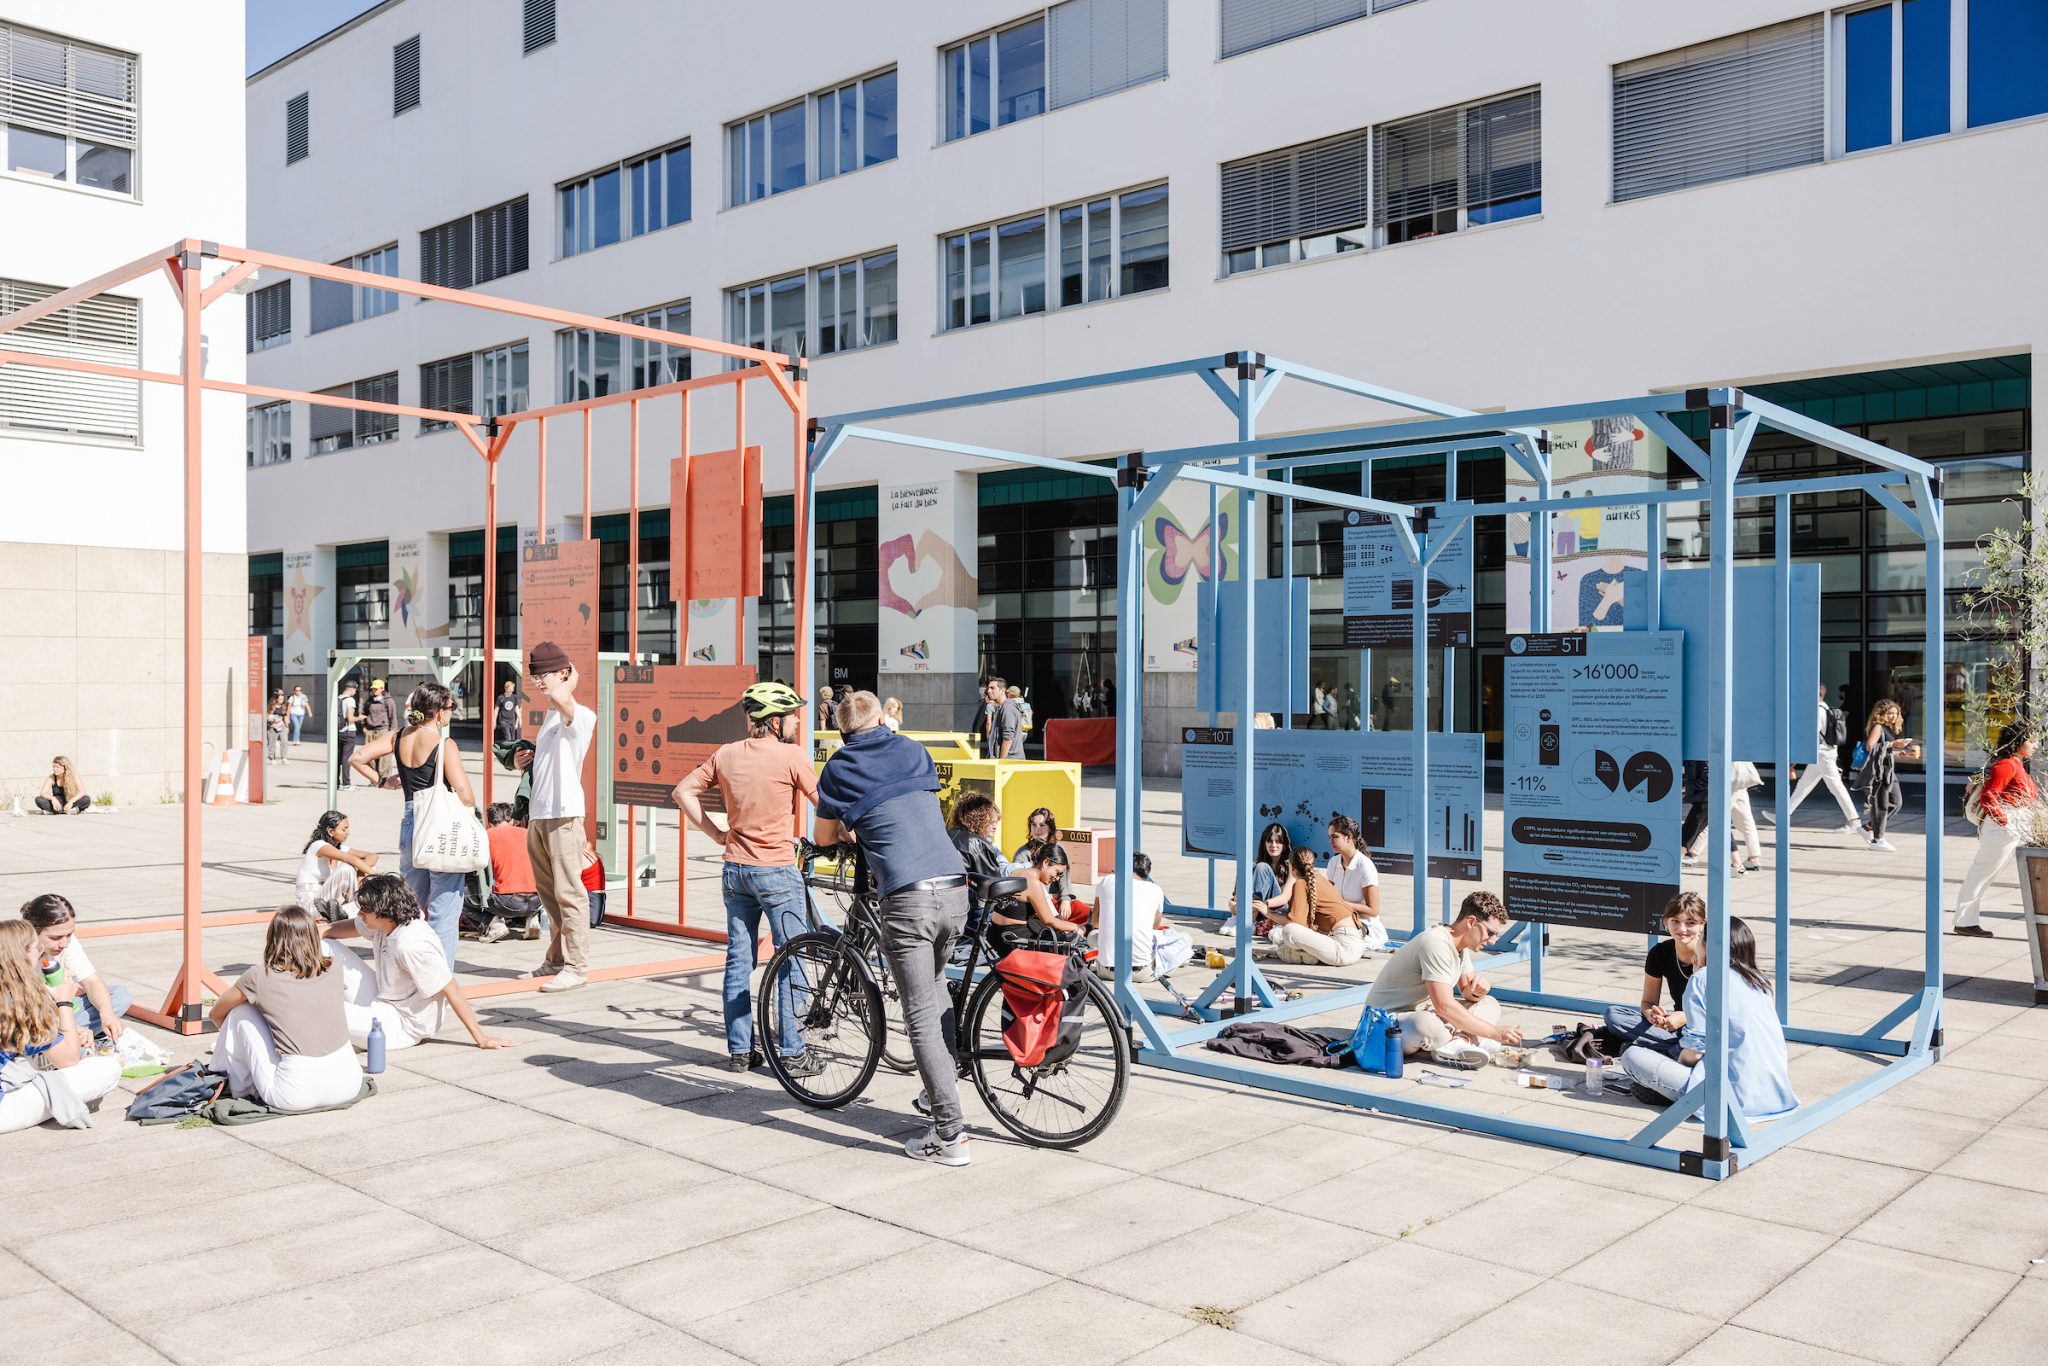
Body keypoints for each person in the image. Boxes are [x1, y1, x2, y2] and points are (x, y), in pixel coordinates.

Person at [815, 690, 976, 1166]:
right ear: (883, 720)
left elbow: (823, 836)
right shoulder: (912, 749)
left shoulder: (840, 766)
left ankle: (949, 1135)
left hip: (908, 897)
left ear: (842, 731)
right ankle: (938, 1088)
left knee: (919, 1016)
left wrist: (847, 830)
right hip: (955, 886)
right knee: (937, 990)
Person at [675, 680, 820, 1073]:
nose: (796, 722)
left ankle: (741, 1051)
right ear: (774, 721)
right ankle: (792, 1053)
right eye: (792, 715)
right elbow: (825, 805)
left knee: (739, 960)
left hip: (735, 870)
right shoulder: (791, 756)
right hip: (776, 870)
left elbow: (682, 792)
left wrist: (717, 834)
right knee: (792, 957)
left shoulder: (726, 754)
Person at [350, 681, 477, 968]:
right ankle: (438, 973)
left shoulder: (398, 737)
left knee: (409, 904)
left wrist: (382, 781)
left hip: (410, 822)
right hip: (440, 827)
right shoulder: (444, 744)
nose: (452, 712)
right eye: (451, 707)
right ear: (439, 712)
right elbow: (465, 793)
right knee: (444, 907)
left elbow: (357, 757)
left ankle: (402, 965)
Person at [1621, 914, 1798, 1119]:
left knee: (1632, 1056)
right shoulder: (1758, 979)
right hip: (1775, 1094)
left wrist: (1674, 1067)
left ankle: (1668, 1092)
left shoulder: (1703, 978)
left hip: (1730, 1097)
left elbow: (1694, 1052)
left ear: (1708, 944)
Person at [320, 876, 511, 1051]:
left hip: (403, 1026)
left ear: (384, 912)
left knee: (318, 1007)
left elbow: (452, 988)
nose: (359, 914)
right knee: (322, 944)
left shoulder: (413, 945)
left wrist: (481, 1038)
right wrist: (313, 931)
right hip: (383, 1000)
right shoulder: (388, 921)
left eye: (365, 910)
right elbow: (345, 927)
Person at [207, 907, 363, 1111]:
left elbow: (216, 1013)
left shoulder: (260, 975)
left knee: (240, 1012)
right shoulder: (334, 967)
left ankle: (235, 1085)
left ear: (273, 937)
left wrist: (239, 1045)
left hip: (295, 1093)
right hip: (348, 1083)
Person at [518, 643, 598, 993]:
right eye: (536, 675)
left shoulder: (580, 714)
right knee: (549, 896)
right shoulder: (551, 717)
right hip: (541, 813)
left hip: (564, 814)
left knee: (569, 893)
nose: (539, 681)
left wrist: (570, 679)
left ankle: (577, 967)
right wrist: (526, 762)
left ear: (565, 673)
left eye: (546, 674)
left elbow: (560, 697)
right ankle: (555, 960)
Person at [1366, 890, 1522, 1059]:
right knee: (1424, 1024)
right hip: (1384, 1022)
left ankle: (1460, 1041)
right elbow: (1444, 1006)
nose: (1493, 940)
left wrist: (1478, 991)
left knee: (1489, 1002)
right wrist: (1494, 1033)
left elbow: (1467, 993)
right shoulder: (1436, 943)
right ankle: (1467, 1041)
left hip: (1425, 1013)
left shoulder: (1461, 944)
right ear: (1471, 922)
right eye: (1490, 933)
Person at [0, 921, 121, 1133]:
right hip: (5, 1108)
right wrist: (64, 1001)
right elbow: (68, 1060)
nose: (40, 953)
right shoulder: (21, 1000)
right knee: (108, 1068)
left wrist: (58, 1027)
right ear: (23, 954)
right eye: (37, 948)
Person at [1953, 721, 2039, 939]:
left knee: (1988, 873)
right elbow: (1989, 796)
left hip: (2016, 825)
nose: (2036, 745)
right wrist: (2005, 823)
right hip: (2005, 827)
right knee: (1982, 873)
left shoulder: (2016, 764)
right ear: (2018, 742)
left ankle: (1965, 921)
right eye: (2031, 741)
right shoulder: (2006, 765)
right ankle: (1965, 922)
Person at [1601, 892, 1705, 1058]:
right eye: (1675, 921)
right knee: (1613, 1015)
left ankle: (1668, 1050)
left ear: (1702, 924)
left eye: (1690, 923)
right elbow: (1648, 1002)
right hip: (1674, 1027)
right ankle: (1673, 1050)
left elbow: (1724, 1011)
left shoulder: (1712, 954)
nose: (1682, 929)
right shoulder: (1660, 952)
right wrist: (1653, 1016)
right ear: (1666, 921)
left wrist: (1686, 1017)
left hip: (1704, 1027)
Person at [20, 893, 129, 1046]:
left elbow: (92, 981)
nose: (64, 944)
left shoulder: (64, 942)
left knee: (119, 995)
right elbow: (17, 1011)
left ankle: (77, 1037)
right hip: (31, 1020)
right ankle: (73, 1039)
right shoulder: (16, 951)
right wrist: (68, 1027)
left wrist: (107, 1015)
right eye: (55, 938)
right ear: (32, 932)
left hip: (59, 1010)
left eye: (69, 935)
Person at [1259, 846, 1370, 967]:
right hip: (1352, 943)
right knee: (1279, 935)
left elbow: (1294, 924)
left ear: (1292, 867)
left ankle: (1301, 954)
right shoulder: (1320, 879)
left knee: (1288, 932)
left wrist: (1269, 913)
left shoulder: (1301, 883)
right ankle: (1304, 954)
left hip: (1343, 949)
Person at [1090, 853, 1192, 981]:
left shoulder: (1106, 881)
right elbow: (1154, 927)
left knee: (1093, 935)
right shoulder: (1155, 889)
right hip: (1141, 972)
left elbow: (1096, 922)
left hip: (1106, 971)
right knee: (1186, 938)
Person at [1782, 684, 1862, 834]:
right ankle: (1783, 816)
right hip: (1822, 754)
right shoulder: (1826, 708)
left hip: (1822, 754)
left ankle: (1854, 820)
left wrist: (1796, 758)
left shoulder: (1818, 711)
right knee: (1803, 786)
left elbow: (1812, 735)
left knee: (1835, 787)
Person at [989, 842, 1086, 955]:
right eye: (1057, 872)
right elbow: (1049, 921)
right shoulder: (1033, 882)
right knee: (1071, 940)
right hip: (1014, 939)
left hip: (996, 934)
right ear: (1046, 862)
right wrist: (1076, 927)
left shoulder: (1017, 872)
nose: (1057, 878)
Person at [296, 810, 377, 922]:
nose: (348, 832)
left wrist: (360, 872)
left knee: (368, 867)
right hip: (311, 907)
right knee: (347, 869)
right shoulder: (319, 846)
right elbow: (351, 859)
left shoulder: (340, 849)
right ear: (330, 831)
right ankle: (356, 909)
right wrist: (381, 879)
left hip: (328, 905)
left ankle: (350, 911)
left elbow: (372, 855)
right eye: (344, 829)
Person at [480, 803, 542, 943]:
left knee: (466, 895)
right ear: (512, 820)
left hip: (507, 902)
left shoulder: (486, 836)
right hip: (537, 901)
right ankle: (532, 919)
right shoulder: (528, 833)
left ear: (489, 822)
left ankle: (492, 924)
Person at [1858, 699, 1913, 853]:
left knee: (1896, 802)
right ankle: (1877, 839)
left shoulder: (1889, 729)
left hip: (1888, 770)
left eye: (1895, 713)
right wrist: (1893, 744)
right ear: (1881, 714)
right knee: (1881, 804)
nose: (1893, 716)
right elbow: (1870, 746)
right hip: (1879, 771)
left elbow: (1884, 751)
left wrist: (1900, 752)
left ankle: (1868, 827)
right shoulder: (1878, 727)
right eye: (1890, 713)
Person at [1322, 816, 1385, 946]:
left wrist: (1342, 904)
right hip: (1338, 917)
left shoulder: (1365, 866)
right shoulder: (1333, 862)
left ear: (1348, 837)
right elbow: (1329, 896)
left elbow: (1373, 910)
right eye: (1329, 837)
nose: (1330, 841)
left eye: (1334, 836)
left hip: (1363, 924)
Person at [1229, 822, 1296, 937]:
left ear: (1284, 844)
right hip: (1258, 911)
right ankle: (1245, 920)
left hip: (1278, 911)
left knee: (1262, 867)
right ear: (1264, 843)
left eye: (1278, 841)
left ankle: (1247, 922)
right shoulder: (1254, 866)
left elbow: (1285, 897)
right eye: (1269, 841)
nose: (1273, 845)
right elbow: (1235, 898)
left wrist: (1262, 904)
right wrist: (1236, 904)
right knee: (1251, 866)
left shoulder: (1291, 866)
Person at [1009, 808, 1071, 914]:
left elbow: (1064, 878)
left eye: (1042, 825)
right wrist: (1050, 896)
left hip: (1059, 899)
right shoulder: (1022, 853)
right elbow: (1022, 887)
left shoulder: (1059, 848)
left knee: (1085, 912)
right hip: (1035, 904)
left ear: (1050, 828)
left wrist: (1065, 899)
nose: (1037, 829)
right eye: (1033, 825)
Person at [361, 678, 402, 786]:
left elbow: (393, 717)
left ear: (382, 689)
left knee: (384, 757)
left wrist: (393, 733)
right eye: (372, 689)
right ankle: (373, 779)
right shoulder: (369, 700)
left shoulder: (388, 701)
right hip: (370, 731)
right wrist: (364, 727)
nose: (373, 691)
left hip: (383, 730)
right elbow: (364, 713)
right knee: (370, 756)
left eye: (376, 689)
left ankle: (385, 779)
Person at [981, 677, 1020, 759]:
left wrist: (1001, 762)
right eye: (988, 688)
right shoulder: (1000, 707)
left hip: (1009, 761)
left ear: (1002, 691)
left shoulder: (1007, 707)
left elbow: (1008, 739)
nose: (989, 691)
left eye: (992, 688)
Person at [335, 679, 362, 790]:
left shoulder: (337, 698)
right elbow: (350, 718)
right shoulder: (350, 700)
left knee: (337, 758)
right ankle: (346, 783)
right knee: (347, 759)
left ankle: (335, 783)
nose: (355, 692)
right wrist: (360, 718)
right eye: (355, 689)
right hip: (348, 731)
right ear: (351, 689)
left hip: (338, 732)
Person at [494, 679, 522, 747]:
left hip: (511, 720)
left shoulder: (514, 697)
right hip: (504, 720)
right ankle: (509, 750)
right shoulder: (501, 698)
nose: (511, 691)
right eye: (510, 689)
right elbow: (496, 709)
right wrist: (494, 721)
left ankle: (511, 750)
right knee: (508, 738)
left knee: (513, 738)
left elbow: (516, 709)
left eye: (512, 689)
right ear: (506, 688)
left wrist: (518, 720)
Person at [266, 690, 288, 762]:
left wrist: (287, 726)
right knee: (272, 742)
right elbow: (266, 716)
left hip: (281, 724)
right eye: (280, 699)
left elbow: (285, 716)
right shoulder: (272, 706)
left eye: (283, 699)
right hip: (272, 725)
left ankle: (284, 757)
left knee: (284, 741)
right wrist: (272, 720)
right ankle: (272, 758)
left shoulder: (284, 706)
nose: (282, 701)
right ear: (276, 699)